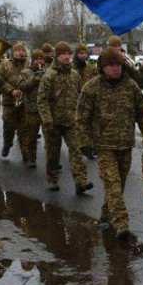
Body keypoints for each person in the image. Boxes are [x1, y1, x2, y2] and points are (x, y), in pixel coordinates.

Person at [75, 47, 143, 238]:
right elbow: (81, 119)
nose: (115, 68)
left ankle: (106, 214)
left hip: (125, 144)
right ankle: (121, 223)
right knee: (113, 185)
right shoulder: (91, 87)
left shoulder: (130, 86)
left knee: (120, 185)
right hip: (104, 146)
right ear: (102, 67)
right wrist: (85, 143)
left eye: (118, 64)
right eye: (111, 65)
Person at [37, 40, 91, 194]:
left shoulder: (74, 75)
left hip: (71, 121)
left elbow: (81, 96)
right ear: (56, 56)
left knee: (76, 152)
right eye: (63, 54)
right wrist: (47, 120)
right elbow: (42, 100)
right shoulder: (49, 76)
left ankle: (81, 182)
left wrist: (82, 116)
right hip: (53, 123)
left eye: (68, 53)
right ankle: (52, 178)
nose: (66, 57)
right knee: (53, 155)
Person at [13, 49, 49, 168]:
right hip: (31, 108)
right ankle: (31, 158)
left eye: (41, 59)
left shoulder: (48, 71)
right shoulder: (25, 72)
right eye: (37, 59)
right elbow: (22, 86)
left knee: (50, 136)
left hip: (45, 109)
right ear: (32, 60)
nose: (40, 61)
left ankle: (51, 160)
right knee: (31, 136)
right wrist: (35, 78)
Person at [0, 42, 29, 158]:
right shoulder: (5, 65)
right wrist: (11, 90)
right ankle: (7, 144)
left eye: (22, 50)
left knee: (24, 129)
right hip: (9, 103)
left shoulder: (27, 64)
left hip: (24, 102)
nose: (21, 52)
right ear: (12, 53)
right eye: (18, 50)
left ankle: (26, 154)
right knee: (9, 128)